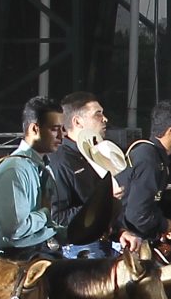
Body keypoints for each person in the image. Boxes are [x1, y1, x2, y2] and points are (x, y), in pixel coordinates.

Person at [0, 96, 75, 261]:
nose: (61, 136)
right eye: (54, 129)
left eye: (62, 129)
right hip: (25, 259)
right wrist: (44, 214)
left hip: (43, 252)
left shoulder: (40, 167)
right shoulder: (14, 170)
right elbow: (15, 229)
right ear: (35, 129)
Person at [43, 93, 121, 257]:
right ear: (77, 121)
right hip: (79, 249)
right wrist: (103, 200)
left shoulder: (99, 154)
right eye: (97, 114)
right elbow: (58, 217)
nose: (105, 119)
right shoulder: (60, 160)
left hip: (107, 241)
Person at [118, 100, 171, 256]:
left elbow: (153, 202)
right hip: (131, 243)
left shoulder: (156, 156)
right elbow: (138, 214)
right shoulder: (148, 158)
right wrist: (165, 224)